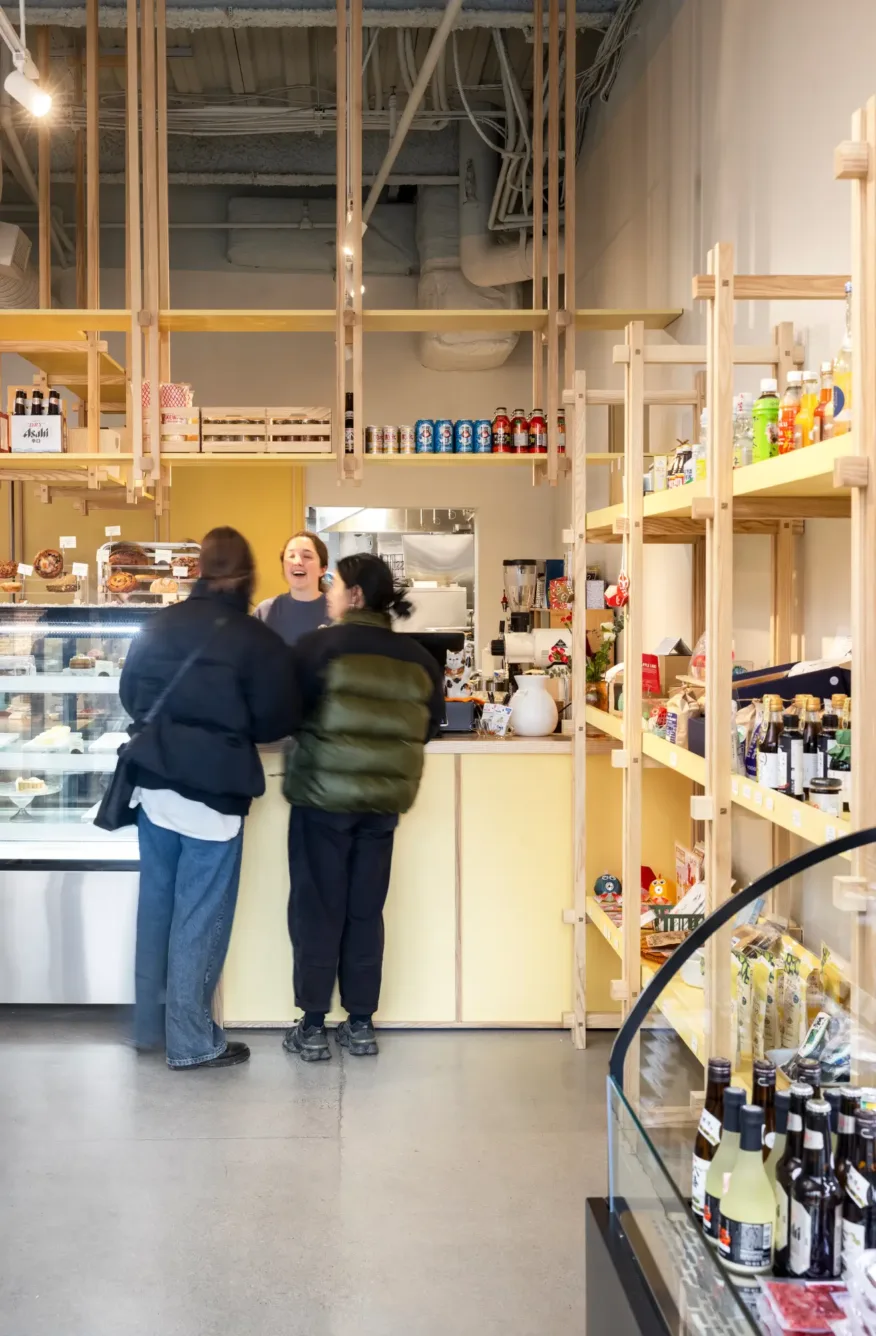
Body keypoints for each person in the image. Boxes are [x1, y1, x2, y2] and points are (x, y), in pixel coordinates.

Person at [120, 527, 299, 1070]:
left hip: (153, 787)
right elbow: (278, 718)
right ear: (247, 575)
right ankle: (192, 1041)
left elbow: (130, 695)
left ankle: (150, 1027)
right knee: (200, 915)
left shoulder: (159, 623)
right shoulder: (254, 639)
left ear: (199, 568)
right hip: (212, 796)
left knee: (158, 907)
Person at [282, 552, 444, 1061]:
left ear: (354, 596)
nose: (328, 589)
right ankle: (360, 1024)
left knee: (317, 909)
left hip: (321, 803)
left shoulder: (318, 647)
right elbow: (430, 726)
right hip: (381, 807)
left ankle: (311, 1025)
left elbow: (286, 712)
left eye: (336, 583)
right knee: (364, 910)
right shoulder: (418, 658)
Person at [252, 530, 329, 646]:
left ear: (322, 569)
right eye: (291, 556)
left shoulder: (339, 613)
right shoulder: (265, 611)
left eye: (307, 556)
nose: (298, 562)